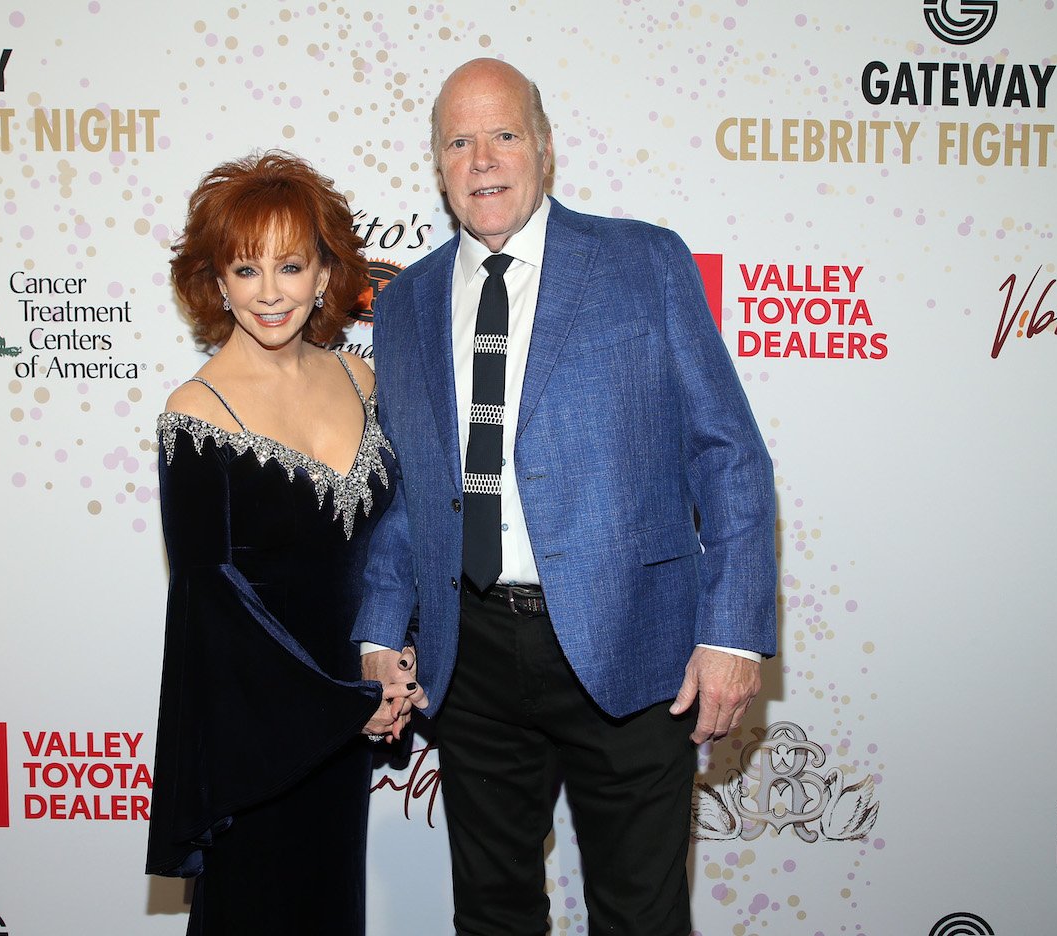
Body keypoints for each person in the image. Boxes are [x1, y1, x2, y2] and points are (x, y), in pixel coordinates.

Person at [353, 59, 777, 935]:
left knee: (641, 914)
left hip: (633, 650)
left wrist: (732, 632)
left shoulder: (643, 261)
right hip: (467, 660)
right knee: (494, 915)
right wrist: (376, 630)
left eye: (504, 133)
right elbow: (406, 497)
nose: (483, 159)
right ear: (438, 164)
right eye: (458, 141)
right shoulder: (406, 304)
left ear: (543, 146)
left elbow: (727, 454)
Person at [145, 150, 425, 935]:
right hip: (260, 734)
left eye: (291, 266)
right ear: (215, 281)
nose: (270, 293)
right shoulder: (195, 411)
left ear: (326, 273)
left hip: (349, 727)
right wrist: (341, 705)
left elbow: (397, 543)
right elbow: (211, 605)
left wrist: (395, 659)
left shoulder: (365, 382)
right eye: (245, 268)